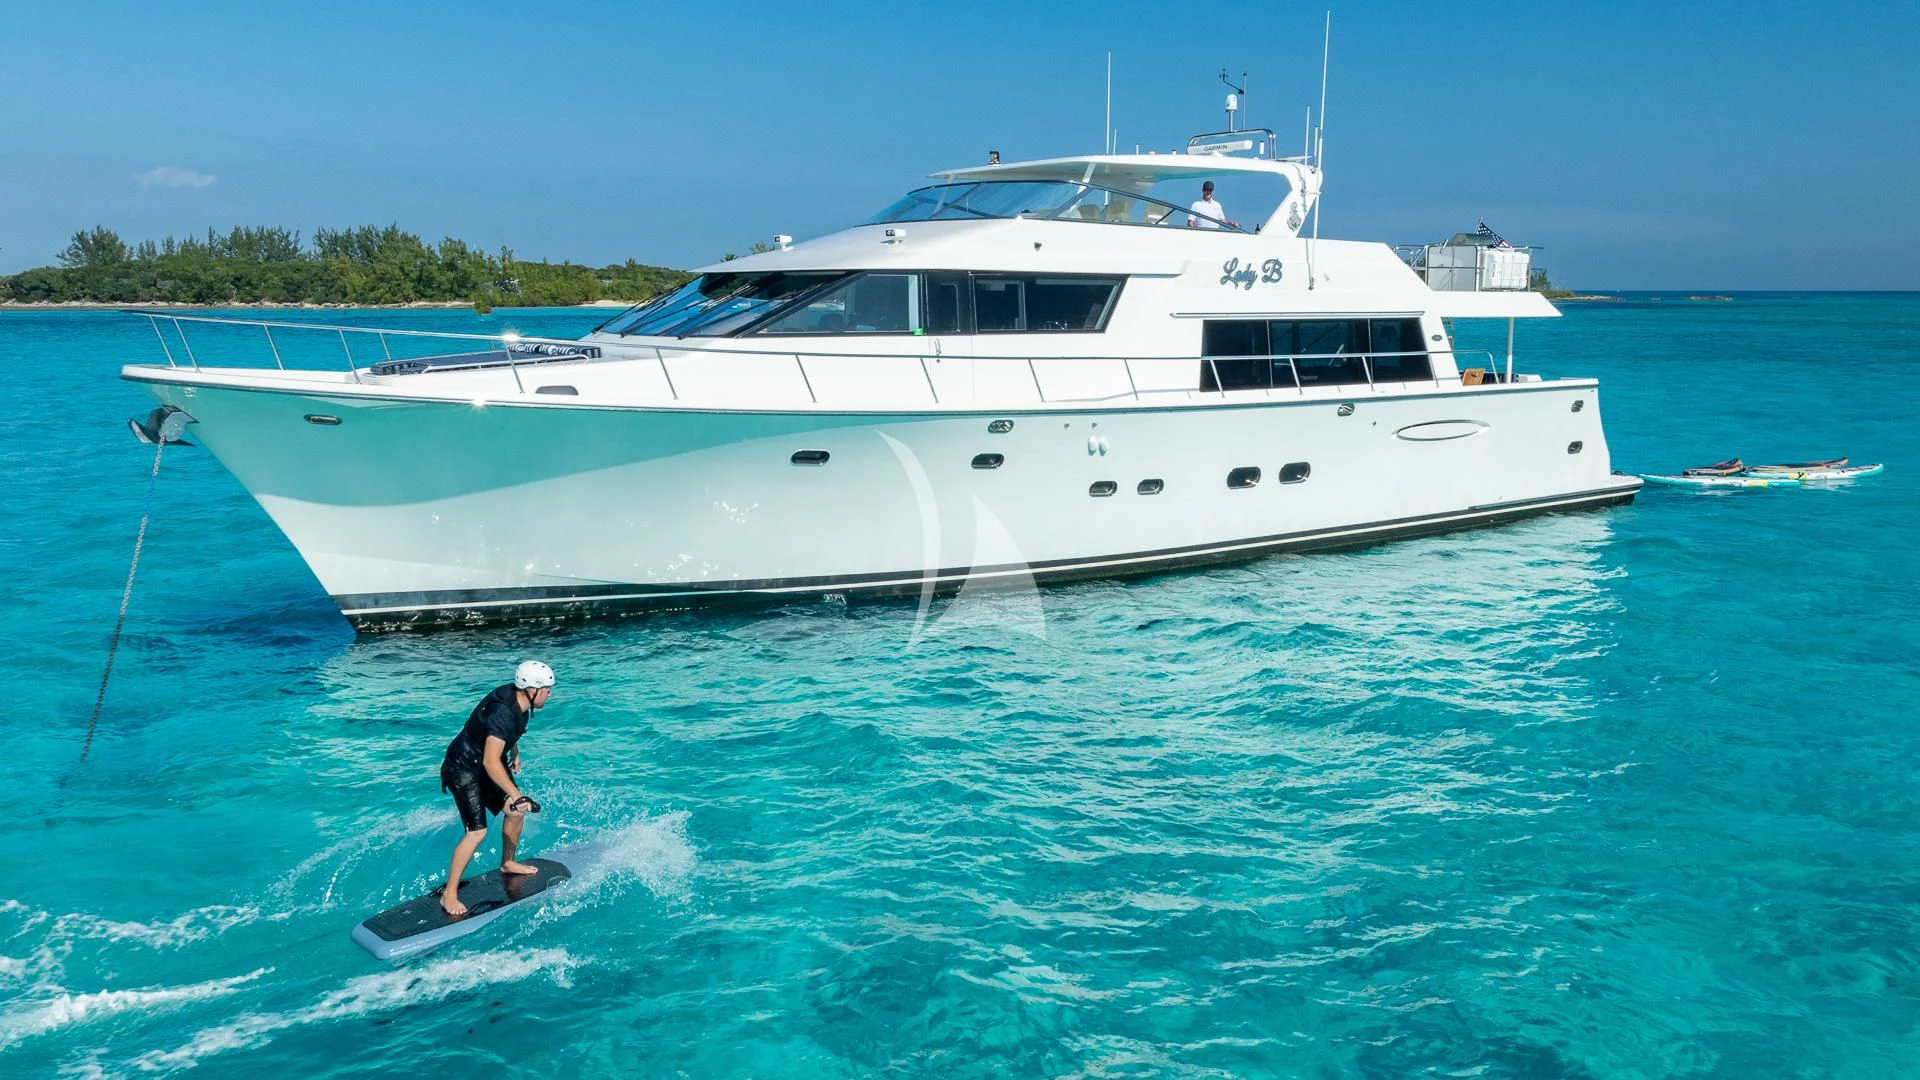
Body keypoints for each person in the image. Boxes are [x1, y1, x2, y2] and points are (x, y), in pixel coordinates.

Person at [438, 660, 555, 916]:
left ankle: (508, 863)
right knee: (476, 833)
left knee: (515, 812)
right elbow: (491, 761)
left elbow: (504, 734)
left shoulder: (521, 701)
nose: (550, 693)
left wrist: (514, 750)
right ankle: (449, 894)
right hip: (464, 768)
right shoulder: (502, 711)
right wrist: (517, 794)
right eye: (546, 688)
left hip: (485, 762)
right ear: (532, 689)